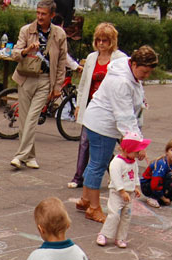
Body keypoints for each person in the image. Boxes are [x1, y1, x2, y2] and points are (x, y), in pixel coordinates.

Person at [77, 45, 158, 223]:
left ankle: (85, 200)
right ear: (134, 64)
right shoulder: (121, 81)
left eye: (149, 73)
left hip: (102, 122)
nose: (146, 76)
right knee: (98, 165)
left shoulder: (127, 70)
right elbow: (125, 117)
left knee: (94, 163)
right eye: (144, 72)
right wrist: (138, 144)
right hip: (103, 125)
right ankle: (93, 208)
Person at [9, 0, 68, 171]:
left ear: (52, 15)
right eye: (38, 13)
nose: (39, 17)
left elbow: (62, 61)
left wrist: (57, 86)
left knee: (32, 119)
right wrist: (26, 51)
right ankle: (30, 156)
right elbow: (15, 54)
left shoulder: (59, 34)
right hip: (26, 77)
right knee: (24, 119)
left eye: (43, 14)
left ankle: (19, 156)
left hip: (45, 80)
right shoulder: (26, 30)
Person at [68, 22, 126, 190]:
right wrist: (79, 104)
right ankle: (79, 176)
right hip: (92, 107)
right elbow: (84, 83)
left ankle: (117, 176)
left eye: (105, 40)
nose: (101, 43)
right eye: (99, 40)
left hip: (112, 108)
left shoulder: (121, 59)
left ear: (112, 41)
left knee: (115, 144)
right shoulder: (92, 58)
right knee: (85, 141)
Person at [98, 131, 149, 248]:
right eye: (135, 152)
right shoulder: (117, 162)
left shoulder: (133, 162)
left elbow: (135, 174)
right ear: (126, 149)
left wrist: (136, 186)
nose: (137, 154)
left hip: (129, 194)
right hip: (117, 193)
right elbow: (115, 178)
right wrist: (121, 191)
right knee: (114, 214)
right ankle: (104, 234)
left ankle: (121, 237)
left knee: (126, 216)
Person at [140, 138, 172, 207]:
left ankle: (164, 199)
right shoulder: (162, 164)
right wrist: (163, 197)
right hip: (148, 185)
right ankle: (154, 197)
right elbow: (155, 183)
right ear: (167, 151)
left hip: (159, 183)